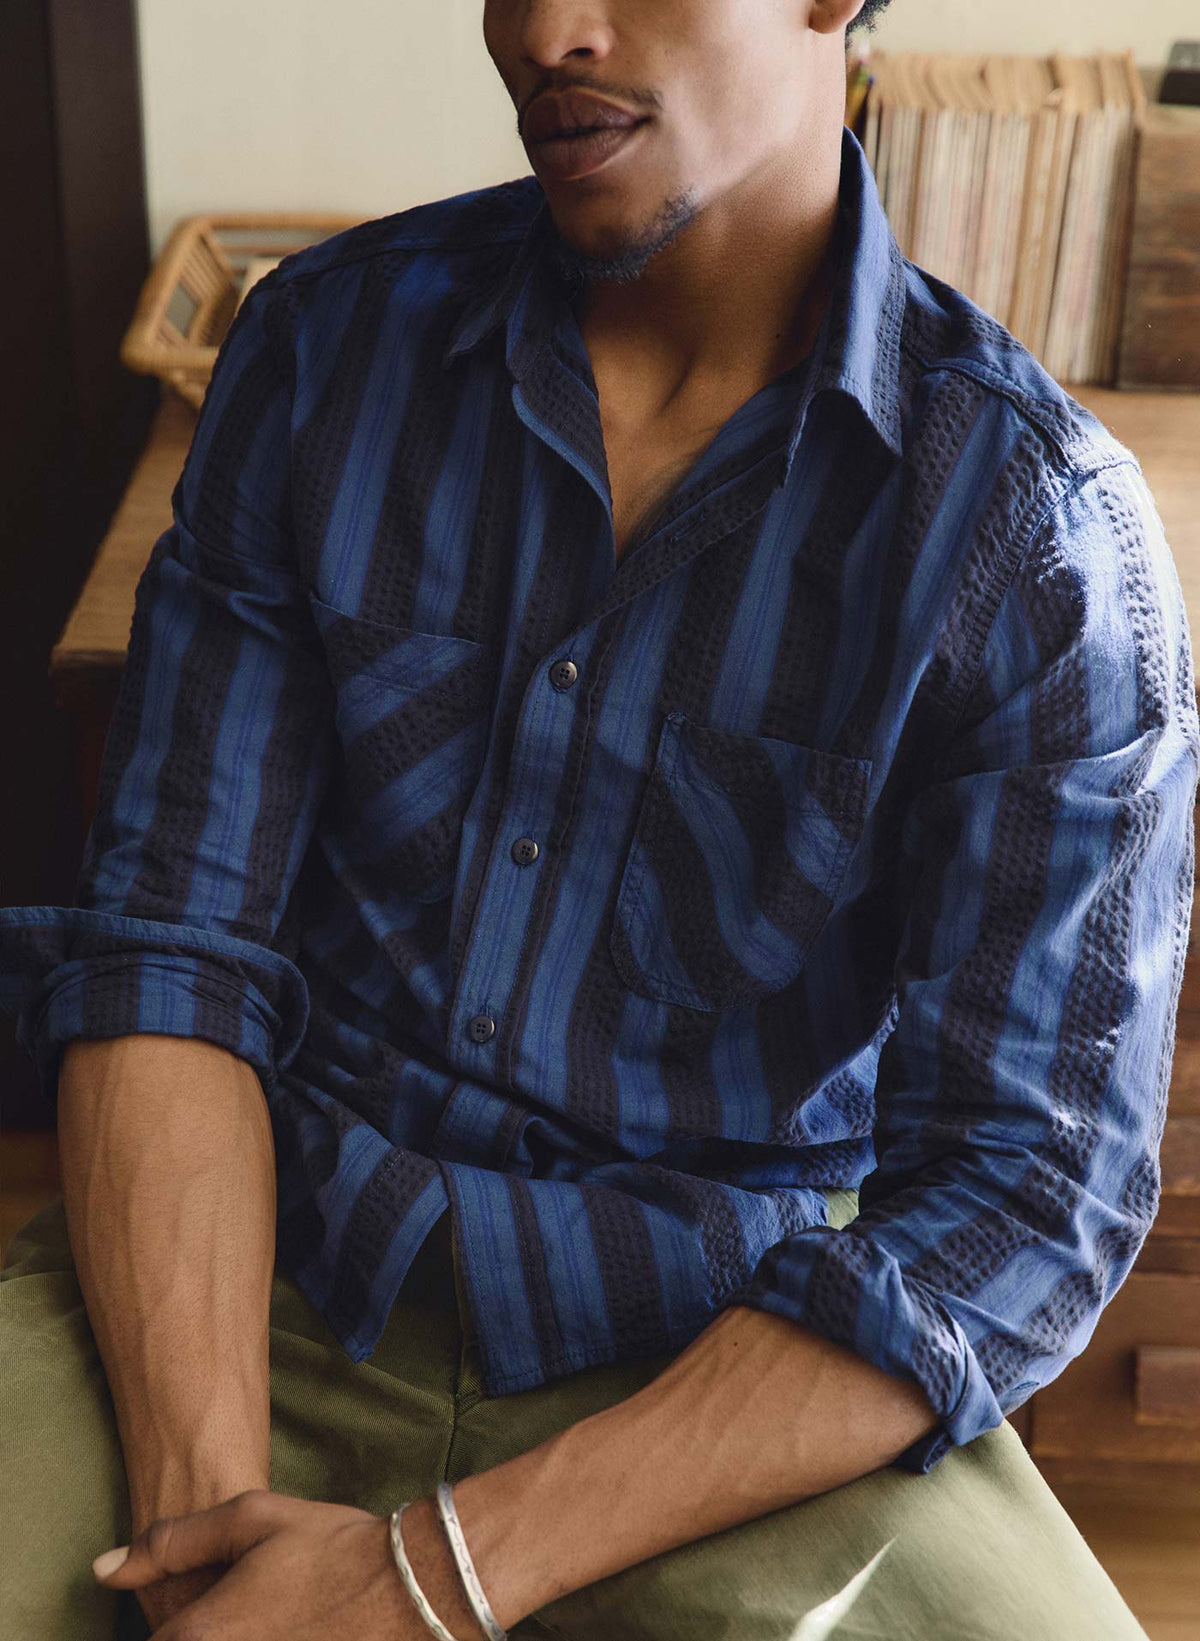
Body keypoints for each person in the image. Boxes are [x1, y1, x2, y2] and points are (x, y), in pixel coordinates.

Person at [1, 0, 1195, 1636]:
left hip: (723, 1375)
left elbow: (1022, 1194)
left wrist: (425, 1577)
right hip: (258, 1273)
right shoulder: (320, 357)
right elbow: (166, 951)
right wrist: (200, 1537)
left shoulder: (1039, 539)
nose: (544, 30)